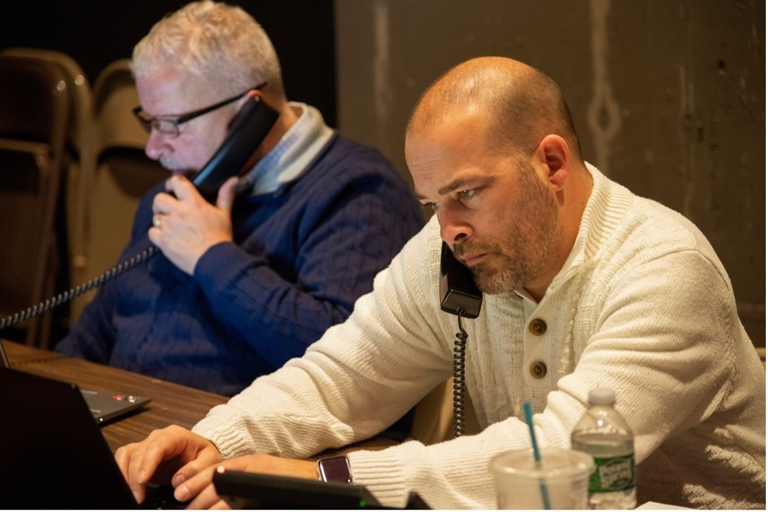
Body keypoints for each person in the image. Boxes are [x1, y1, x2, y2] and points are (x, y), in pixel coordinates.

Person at [114, 56, 766, 510]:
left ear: (552, 163)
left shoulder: (661, 267)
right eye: (433, 202)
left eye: (468, 194)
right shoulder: (454, 247)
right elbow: (342, 377)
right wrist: (216, 436)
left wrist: (319, 479)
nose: (449, 228)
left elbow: (558, 457)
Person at [55, 0, 424, 397]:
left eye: (171, 125)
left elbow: (348, 366)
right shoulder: (179, 194)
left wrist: (212, 256)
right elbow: (97, 332)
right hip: (135, 429)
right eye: (149, 122)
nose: (152, 148)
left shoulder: (359, 193)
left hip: (243, 445)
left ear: (250, 112)